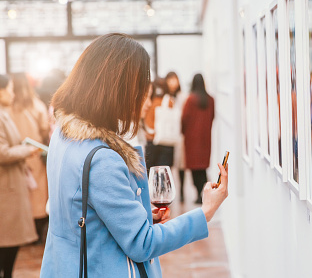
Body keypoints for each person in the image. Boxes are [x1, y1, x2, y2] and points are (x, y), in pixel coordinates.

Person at [40, 34, 228, 277]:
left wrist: (133, 210)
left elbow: (83, 207)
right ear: (120, 91)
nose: (147, 101)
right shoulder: (102, 160)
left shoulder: (63, 136)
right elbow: (143, 243)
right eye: (142, 90)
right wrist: (206, 212)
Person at [0, 74, 38, 278]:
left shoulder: (4, 113)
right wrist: (26, 151)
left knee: (10, 244)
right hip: (6, 188)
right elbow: (2, 152)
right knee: (6, 242)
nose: (13, 94)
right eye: (10, 89)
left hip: (11, 185)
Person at [10, 73, 50, 244]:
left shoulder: (7, 107)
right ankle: (39, 232)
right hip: (36, 153)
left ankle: (25, 234)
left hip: (16, 155)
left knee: (23, 195)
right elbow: (44, 129)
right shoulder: (37, 105)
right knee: (39, 194)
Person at [182, 74, 215, 204]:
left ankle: (199, 194)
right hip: (205, 139)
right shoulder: (211, 100)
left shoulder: (190, 100)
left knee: (195, 168)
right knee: (202, 168)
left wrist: (185, 132)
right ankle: (204, 192)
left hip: (192, 140)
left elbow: (184, 119)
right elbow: (212, 117)